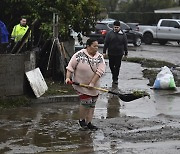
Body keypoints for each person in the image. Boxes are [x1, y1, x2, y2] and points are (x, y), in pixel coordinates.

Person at [65, 38, 106, 131]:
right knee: (86, 101)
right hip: (81, 85)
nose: (96, 48)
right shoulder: (79, 55)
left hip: (94, 86)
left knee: (92, 104)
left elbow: (100, 71)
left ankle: (89, 122)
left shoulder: (100, 57)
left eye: (97, 46)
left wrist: (92, 83)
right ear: (88, 46)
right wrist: (68, 77)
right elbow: (70, 67)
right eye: (94, 46)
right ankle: (81, 120)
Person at [103, 20, 128, 84]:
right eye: (115, 27)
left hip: (119, 53)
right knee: (111, 66)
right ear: (113, 27)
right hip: (111, 53)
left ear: (119, 27)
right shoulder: (109, 34)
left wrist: (126, 53)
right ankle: (114, 75)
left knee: (117, 66)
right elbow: (106, 43)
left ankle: (115, 78)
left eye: (117, 27)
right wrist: (104, 52)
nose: (116, 28)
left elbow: (125, 44)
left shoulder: (123, 34)